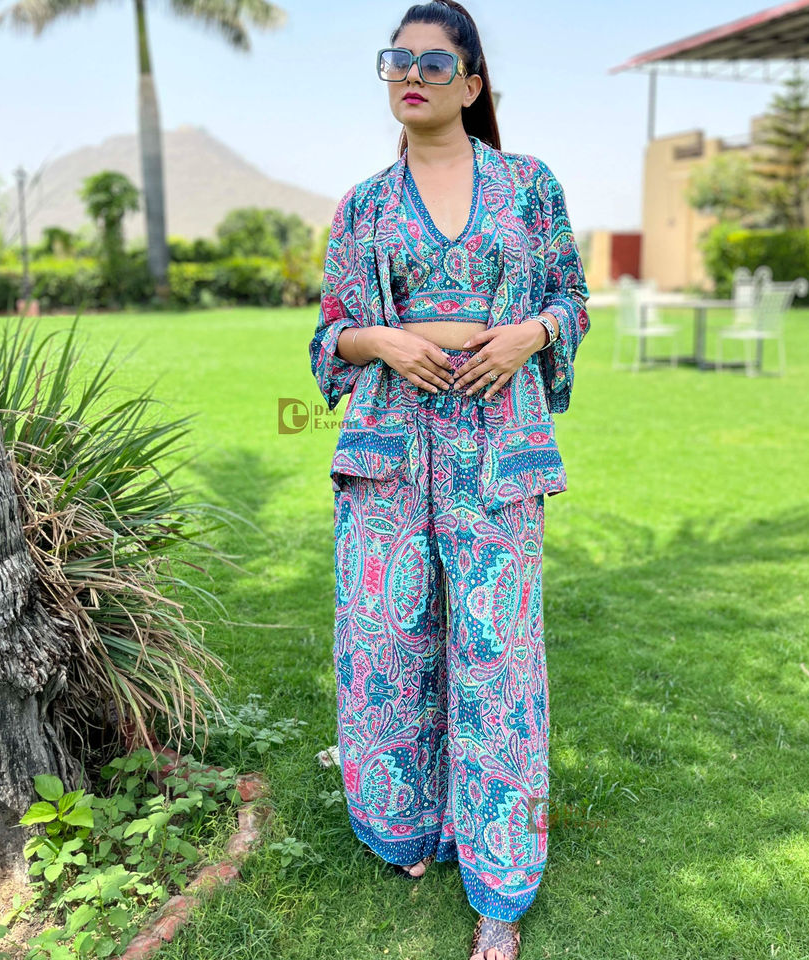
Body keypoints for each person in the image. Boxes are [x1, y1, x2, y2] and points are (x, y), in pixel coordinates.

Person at [309, 3, 590, 958]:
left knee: (495, 658)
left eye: (435, 62)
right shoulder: (363, 206)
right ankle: (408, 826)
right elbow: (329, 335)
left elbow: (572, 298)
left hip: (496, 444)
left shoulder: (528, 185)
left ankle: (501, 882)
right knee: (387, 643)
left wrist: (529, 335)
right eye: (399, 59)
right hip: (389, 444)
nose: (412, 75)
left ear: (471, 83)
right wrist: (381, 339)